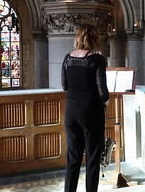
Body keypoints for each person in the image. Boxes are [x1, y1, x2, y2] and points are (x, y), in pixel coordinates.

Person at [61, 24, 109, 192]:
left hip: (71, 112)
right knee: (92, 159)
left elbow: (64, 85)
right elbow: (103, 93)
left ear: (78, 38)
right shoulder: (96, 59)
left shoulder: (68, 58)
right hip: (90, 113)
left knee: (73, 159)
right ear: (94, 39)